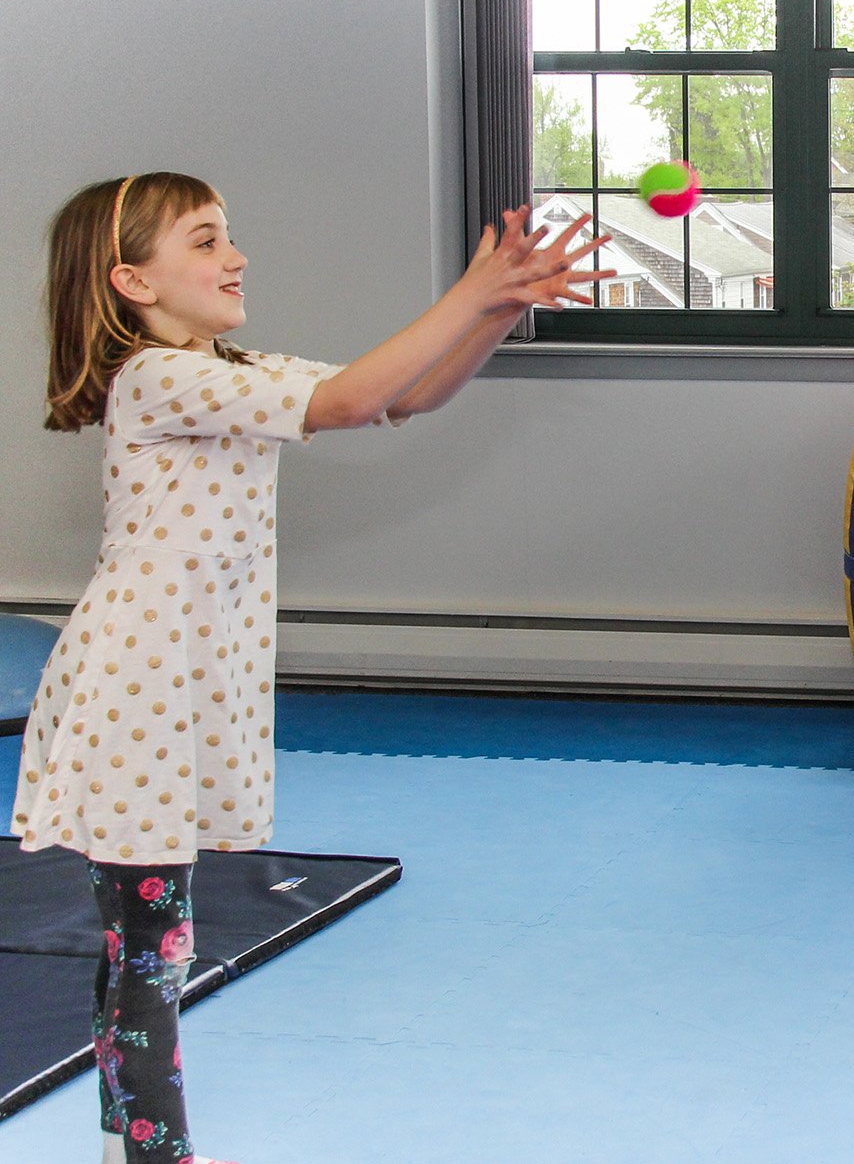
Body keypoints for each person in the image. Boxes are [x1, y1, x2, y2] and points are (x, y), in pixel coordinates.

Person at [11, 172, 606, 1164]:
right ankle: (155, 1151)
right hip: (137, 688)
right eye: (205, 241)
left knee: (147, 935)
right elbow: (350, 397)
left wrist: (494, 310)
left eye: (228, 236)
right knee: (154, 941)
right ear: (131, 280)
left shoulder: (224, 365)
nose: (234, 256)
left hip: (183, 679)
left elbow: (402, 397)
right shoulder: (158, 377)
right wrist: (470, 288)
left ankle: (130, 1141)